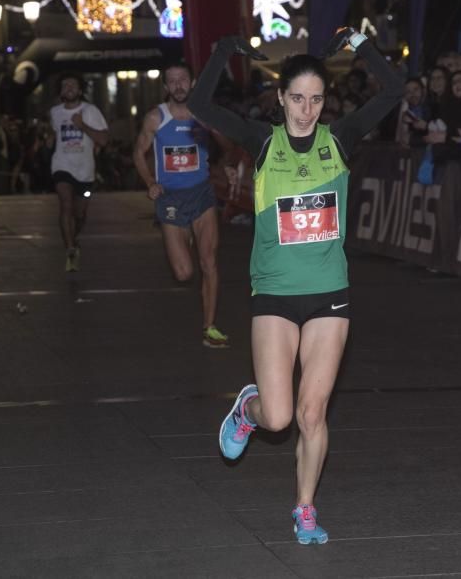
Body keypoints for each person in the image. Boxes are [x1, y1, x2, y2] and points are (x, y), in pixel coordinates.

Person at [187, 28, 402, 544]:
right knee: (279, 418)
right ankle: (247, 409)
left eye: (316, 99)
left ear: (325, 102)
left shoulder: (340, 140)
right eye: (297, 98)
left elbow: (395, 91)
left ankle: (305, 508)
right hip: (276, 295)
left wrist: (363, 44)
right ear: (281, 98)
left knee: (312, 413)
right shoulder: (263, 142)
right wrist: (223, 50)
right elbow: (198, 103)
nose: (307, 110)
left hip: (330, 293)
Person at [133, 61, 235, 348]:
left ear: (192, 83)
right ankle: (182, 234)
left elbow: (228, 147)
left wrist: (223, 160)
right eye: (172, 81)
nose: (178, 85)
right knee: (184, 273)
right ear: (165, 86)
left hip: (201, 195)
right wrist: (150, 182)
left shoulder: (204, 114)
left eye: (183, 80)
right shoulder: (156, 118)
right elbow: (138, 153)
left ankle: (210, 327)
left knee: (209, 263)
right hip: (170, 200)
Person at [48, 72, 109, 271]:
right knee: (65, 204)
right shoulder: (55, 112)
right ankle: (70, 250)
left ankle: (73, 238)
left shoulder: (90, 111)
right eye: (65, 85)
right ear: (60, 92)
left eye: (73, 85)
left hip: (85, 171)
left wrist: (82, 126)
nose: (69, 88)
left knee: (80, 214)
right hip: (61, 166)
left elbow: (103, 140)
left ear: (81, 90)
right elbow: (54, 135)